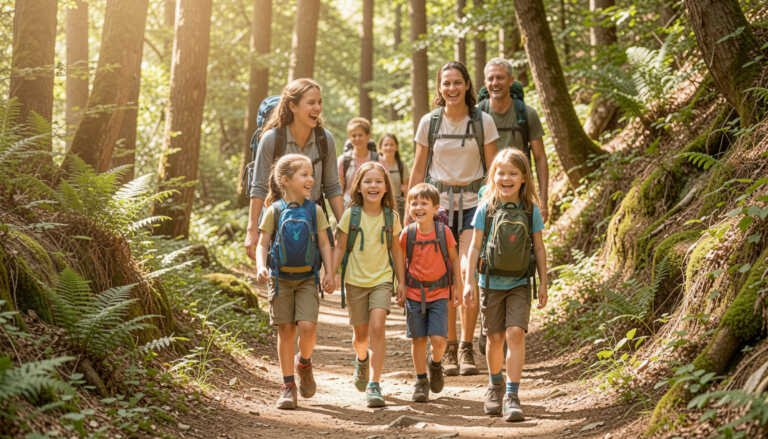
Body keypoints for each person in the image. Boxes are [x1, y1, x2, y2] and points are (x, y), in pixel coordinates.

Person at [409, 61, 499, 376]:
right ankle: (448, 347)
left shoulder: (483, 121)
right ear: (439, 87)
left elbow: (494, 170)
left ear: (467, 85)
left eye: (457, 83)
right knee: (446, 275)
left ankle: (466, 346)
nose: (451, 89)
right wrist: (413, 210)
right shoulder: (429, 123)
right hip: (439, 207)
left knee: (467, 271)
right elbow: (419, 169)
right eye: (446, 83)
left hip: (474, 204)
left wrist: (495, 206)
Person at [463, 148, 548, 422]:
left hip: (521, 282)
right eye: (501, 173)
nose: (506, 178)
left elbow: (539, 247)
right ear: (493, 176)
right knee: (495, 337)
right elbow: (474, 246)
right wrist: (468, 283)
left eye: (513, 173)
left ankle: (512, 394)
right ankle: (494, 384)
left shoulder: (530, 209)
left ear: (524, 178)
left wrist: (544, 282)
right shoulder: (485, 208)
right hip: (490, 281)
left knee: (515, 333)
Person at [255, 154, 336, 410]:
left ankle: (305, 362)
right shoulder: (274, 210)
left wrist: (330, 273)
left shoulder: (316, 210)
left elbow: (324, 242)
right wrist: (260, 265)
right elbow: (262, 243)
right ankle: (288, 386)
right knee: (286, 330)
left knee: (308, 326)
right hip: (280, 279)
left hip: (307, 279)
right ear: (285, 180)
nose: (310, 179)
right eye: (304, 174)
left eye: (311, 174)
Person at [245, 78, 344, 262]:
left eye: (320, 102)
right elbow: (258, 187)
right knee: (278, 286)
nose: (318, 108)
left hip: (312, 223)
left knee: (309, 284)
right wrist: (252, 231)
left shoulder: (325, 140)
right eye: (311, 102)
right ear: (293, 106)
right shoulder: (272, 140)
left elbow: (332, 187)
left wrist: (344, 227)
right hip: (276, 223)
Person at [332, 161, 405, 408]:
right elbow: (340, 246)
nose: (373, 185)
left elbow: (397, 250)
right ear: (359, 187)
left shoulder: (391, 217)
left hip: (382, 280)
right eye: (368, 181)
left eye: (378, 181)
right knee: (360, 336)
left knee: (378, 326)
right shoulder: (350, 215)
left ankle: (375, 383)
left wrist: (401, 282)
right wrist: (331, 273)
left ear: (386, 188)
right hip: (355, 281)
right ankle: (361, 359)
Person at [397, 183, 461, 402]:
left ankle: (435, 364)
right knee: (418, 339)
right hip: (415, 294)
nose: (418, 207)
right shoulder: (407, 234)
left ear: (436, 209)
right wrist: (401, 285)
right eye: (413, 203)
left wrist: (457, 286)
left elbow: (453, 259)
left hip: (440, 293)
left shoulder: (444, 232)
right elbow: (401, 261)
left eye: (424, 203)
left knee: (439, 339)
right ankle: (421, 380)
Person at [480, 58, 549, 223]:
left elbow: (540, 157)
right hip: (486, 194)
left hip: (521, 194)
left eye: (500, 78)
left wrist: (544, 200)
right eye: (490, 78)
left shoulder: (526, 114)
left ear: (511, 81)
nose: (495, 83)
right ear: (485, 82)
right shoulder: (477, 115)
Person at [338, 117, 378, 206]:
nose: (357, 138)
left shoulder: (378, 160)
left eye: (360, 135)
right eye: (353, 135)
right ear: (349, 137)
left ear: (368, 136)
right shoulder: (343, 161)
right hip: (348, 208)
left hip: (373, 207)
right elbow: (339, 190)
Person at [378, 133, 409, 223]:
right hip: (380, 204)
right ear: (380, 148)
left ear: (396, 147)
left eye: (392, 144)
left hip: (398, 206)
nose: (389, 147)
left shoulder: (401, 166)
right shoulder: (376, 165)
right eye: (386, 145)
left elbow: (407, 188)